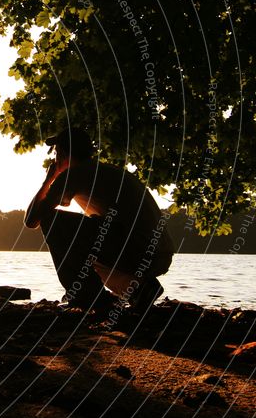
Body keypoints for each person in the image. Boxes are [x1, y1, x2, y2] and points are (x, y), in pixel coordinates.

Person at [24, 128, 174, 312]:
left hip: (137, 250)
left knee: (53, 221)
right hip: (159, 255)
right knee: (92, 236)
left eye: (56, 153)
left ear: (61, 154)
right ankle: (140, 289)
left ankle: (87, 298)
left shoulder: (74, 174)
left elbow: (32, 220)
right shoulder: (105, 171)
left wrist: (48, 180)